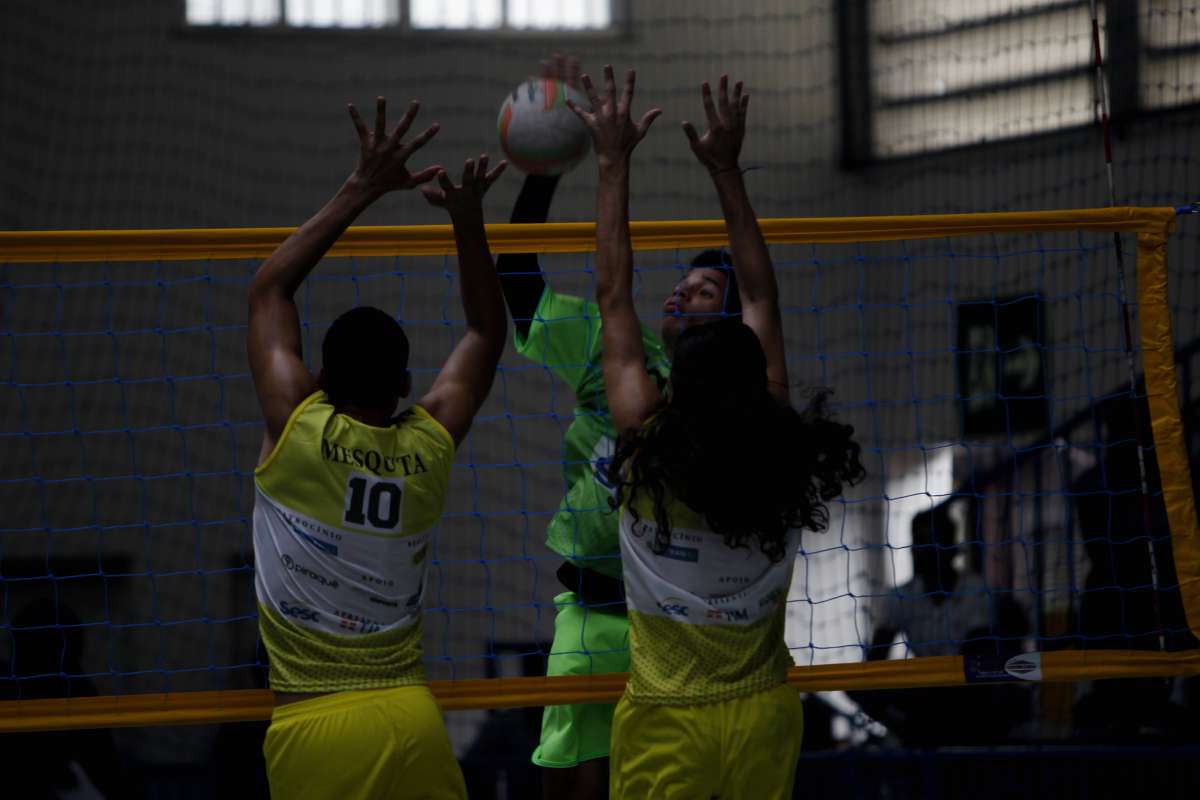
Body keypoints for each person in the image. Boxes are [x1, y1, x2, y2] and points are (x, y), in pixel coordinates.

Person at [566, 66, 864, 798]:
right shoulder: (780, 447)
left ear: (679, 383)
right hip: (764, 714)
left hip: (670, 720)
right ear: (755, 378)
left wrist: (612, 163)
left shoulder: (644, 444)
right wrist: (727, 172)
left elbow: (613, 295)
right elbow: (761, 294)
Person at [246, 96, 508, 799]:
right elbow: (486, 333)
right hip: (411, 716)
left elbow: (270, 289)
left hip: (316, 723)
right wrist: (467, 221)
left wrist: (361, 187)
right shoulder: (429, 443)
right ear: (404, 385)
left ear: (319, 378)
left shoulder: (297, 425)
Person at [496, 55, 742, 800]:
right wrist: (545, 170)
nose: (680, 293)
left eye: (704, 291)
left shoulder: (736, 398)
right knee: (572, 781)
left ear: (730, 323)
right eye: (681, 284)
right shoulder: (612, 352)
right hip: (593, 610)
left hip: (688, 623)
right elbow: (519, 281)